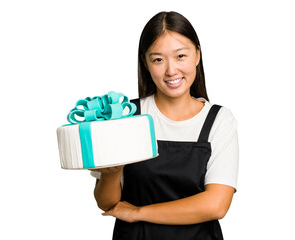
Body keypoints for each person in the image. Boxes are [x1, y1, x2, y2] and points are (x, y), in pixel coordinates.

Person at [91, 11, 239, 240]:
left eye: (181, 56)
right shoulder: (126, 116)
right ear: (146, 63)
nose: (171, 71)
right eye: (158, 59)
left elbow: (216, 205)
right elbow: (108, 204)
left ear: (197, 55)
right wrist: (111, 173)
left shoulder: (219, 120)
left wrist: (139, 212)